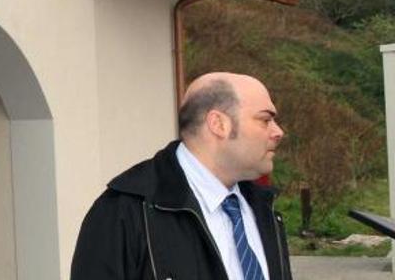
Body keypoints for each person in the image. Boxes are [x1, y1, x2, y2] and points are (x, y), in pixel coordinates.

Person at [70, 72, 291, 280]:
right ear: (218, 124)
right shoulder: (125, 210)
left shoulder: (264, 208)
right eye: (265, 119)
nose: (278, 132)